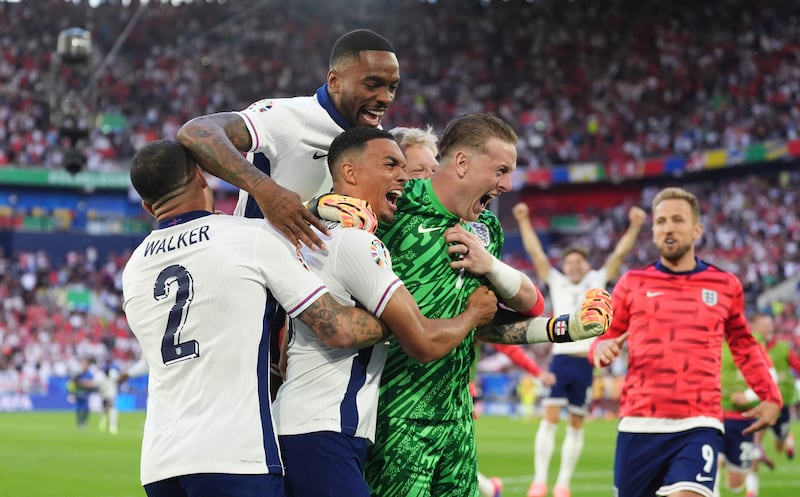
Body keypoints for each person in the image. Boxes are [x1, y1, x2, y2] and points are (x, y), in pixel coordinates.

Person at [361, 112, 614, 497]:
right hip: (396, 414)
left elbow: (486, 321)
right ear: (462, 162)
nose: (508, 184)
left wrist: (566, 327)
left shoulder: (486, 231)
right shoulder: (392, 208)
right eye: (501, 170)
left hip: (458, 415)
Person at [121, 139, 390, 497]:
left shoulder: (134, 267)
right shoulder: (248, 238)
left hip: (160, 464)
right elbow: (336, 328)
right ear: (202, 179)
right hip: (234, 457)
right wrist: (397, 322)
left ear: (146, 204)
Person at [273, 126, 499, 497]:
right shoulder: (360, 242)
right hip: (325, 428)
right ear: (350, 173)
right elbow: (423, 343)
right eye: (391, 164)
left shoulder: (314, 237)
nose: (402, 175)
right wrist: (474, 313)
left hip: (305, 422)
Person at [588, 186, 782, 497]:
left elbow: (744, 345)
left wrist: (770, 395)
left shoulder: (725, 285)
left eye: (678, 219)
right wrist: (601, 350)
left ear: (697, 230)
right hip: (639, 425)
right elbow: (605, 338)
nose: (668, 227)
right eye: (661, 221)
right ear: (652, 231)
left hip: (699, 422)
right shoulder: (631, 283)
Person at [176, 28, 400, 251]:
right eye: (372, 85)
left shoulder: (377, 138)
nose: (385, 98)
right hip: (260, 272)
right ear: (334, 81)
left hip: (327, 279)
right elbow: (196, 132)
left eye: (392, 87)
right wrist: (267, 192)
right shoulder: (287, 117)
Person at [511, 201, 646, 497]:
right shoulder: (557, 282)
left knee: (575, 424)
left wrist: (635, 225)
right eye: (569, 261)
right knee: (548, 420)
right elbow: (536, 254)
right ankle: (539, 481)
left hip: (586, 362)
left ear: (585, 265)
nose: (574, 265)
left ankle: (562, 484)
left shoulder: (596, 280)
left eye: (578, 262)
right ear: (564, 265)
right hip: (560, 359)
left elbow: (619, 254)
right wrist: (523, 220)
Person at [744, 313, 800, 497]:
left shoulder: (783, 348)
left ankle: (787, 440)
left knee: (779, 445)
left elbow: (797, 366)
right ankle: (752, 490)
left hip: (781, 404)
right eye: (764, 326)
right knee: (752, 445)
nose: (768, 330)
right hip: (758, 403)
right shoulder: (747, 348)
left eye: (770, 326)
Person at [715, 334, 775, 497]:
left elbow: (771, 375)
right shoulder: (708, 338)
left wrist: (748, 396)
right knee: (711, 465)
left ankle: (740, 458)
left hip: (744, 420)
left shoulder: (751, 342)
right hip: (714, 415)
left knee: (736, 483)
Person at [94, 360, 121, 434]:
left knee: (112, 409)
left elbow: (118, 379)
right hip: (104, 395)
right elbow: (96, 384)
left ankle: (113, 426)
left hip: (112, 394)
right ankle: (105, 421)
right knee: (105, 410)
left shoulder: (113, 373)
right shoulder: (99, 376)